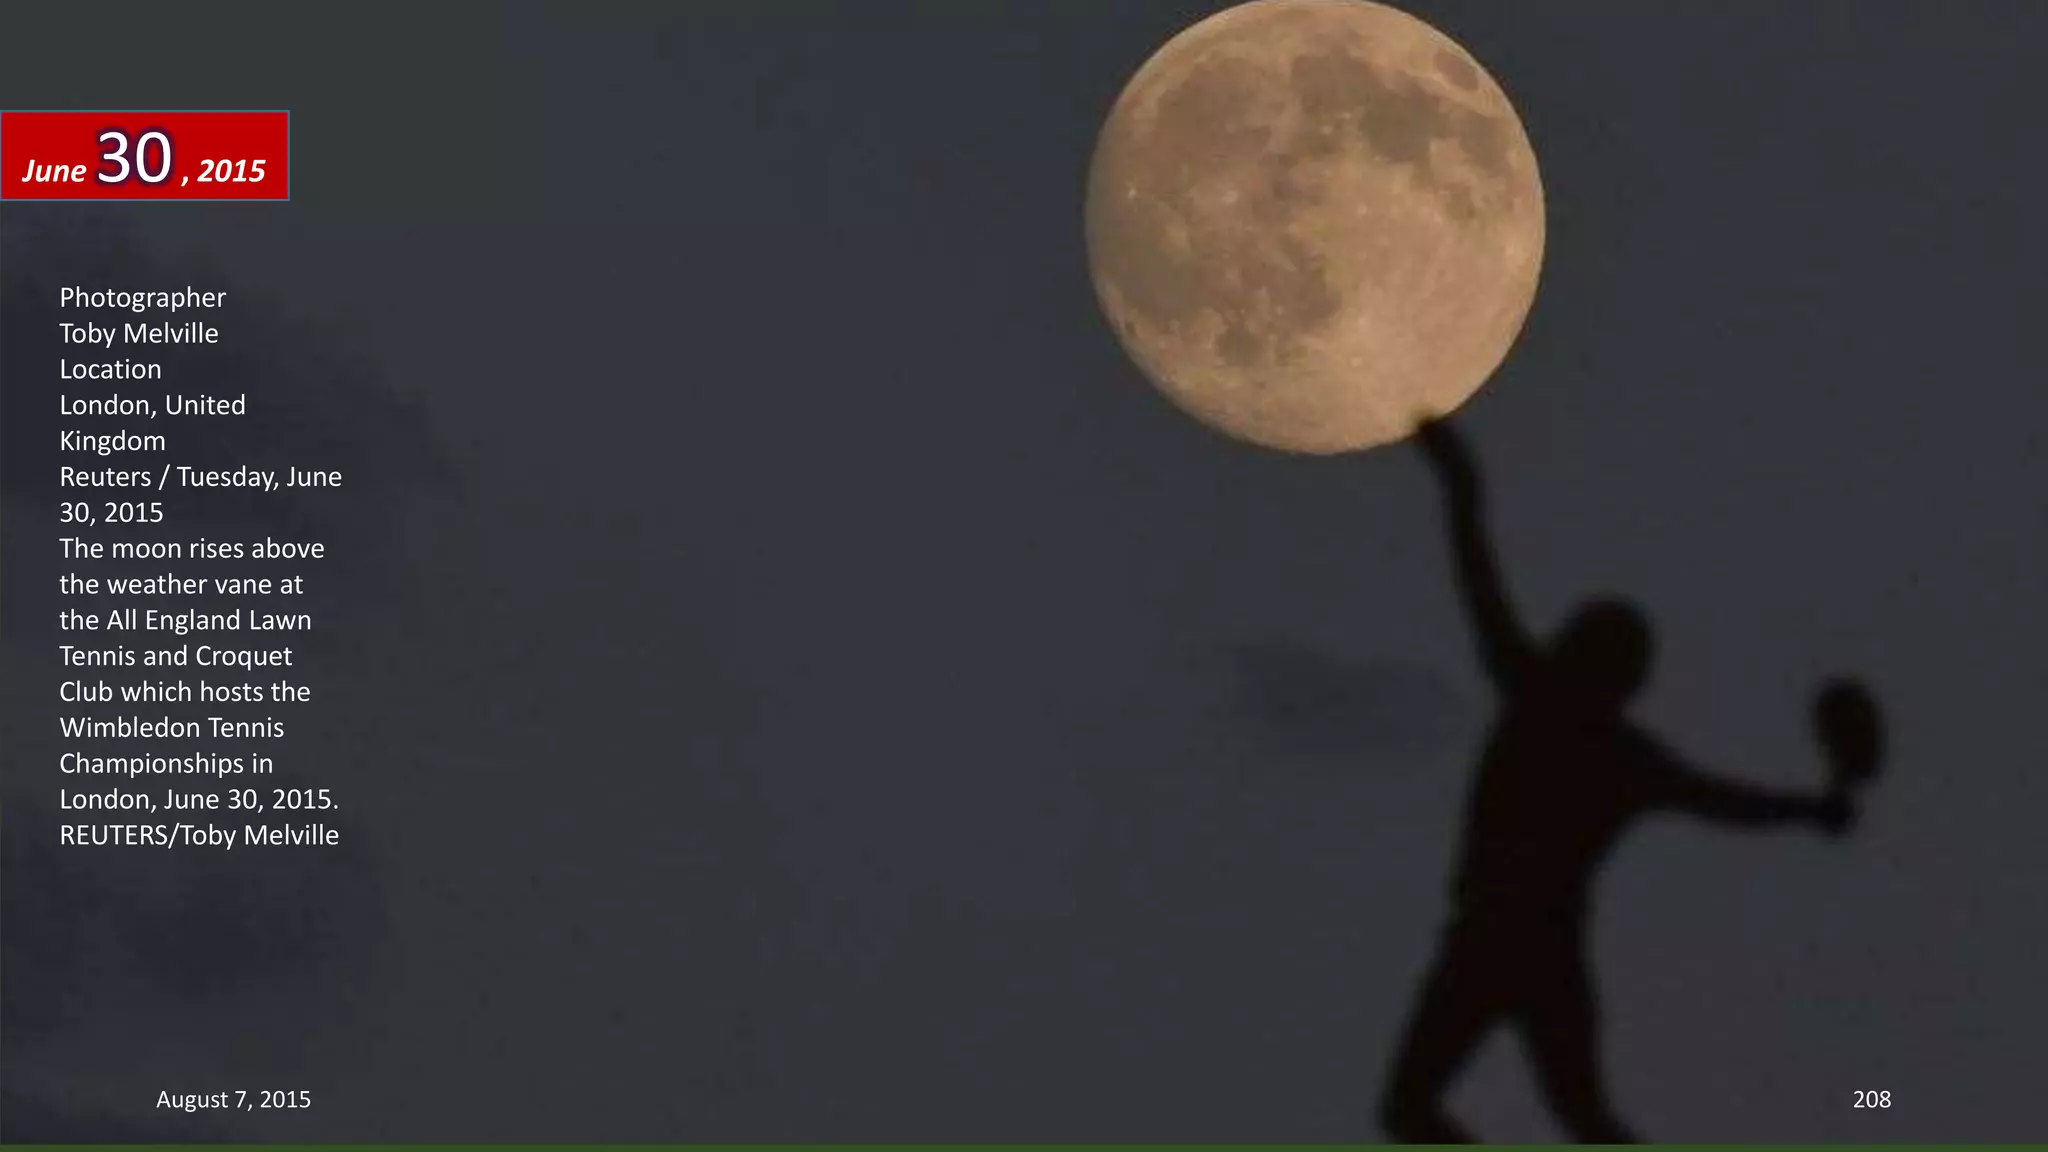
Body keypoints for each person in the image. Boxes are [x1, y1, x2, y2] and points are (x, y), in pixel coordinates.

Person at [1379, 417, 1863, 1144]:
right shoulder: (1611, 750)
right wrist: (1811, 809)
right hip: (1524, 950)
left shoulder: (1545, 702)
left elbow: (1480, 577)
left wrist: (1461, 486)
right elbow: (1724, 800)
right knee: (1568, 1120)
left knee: (1438, 1112)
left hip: (1498, 944)